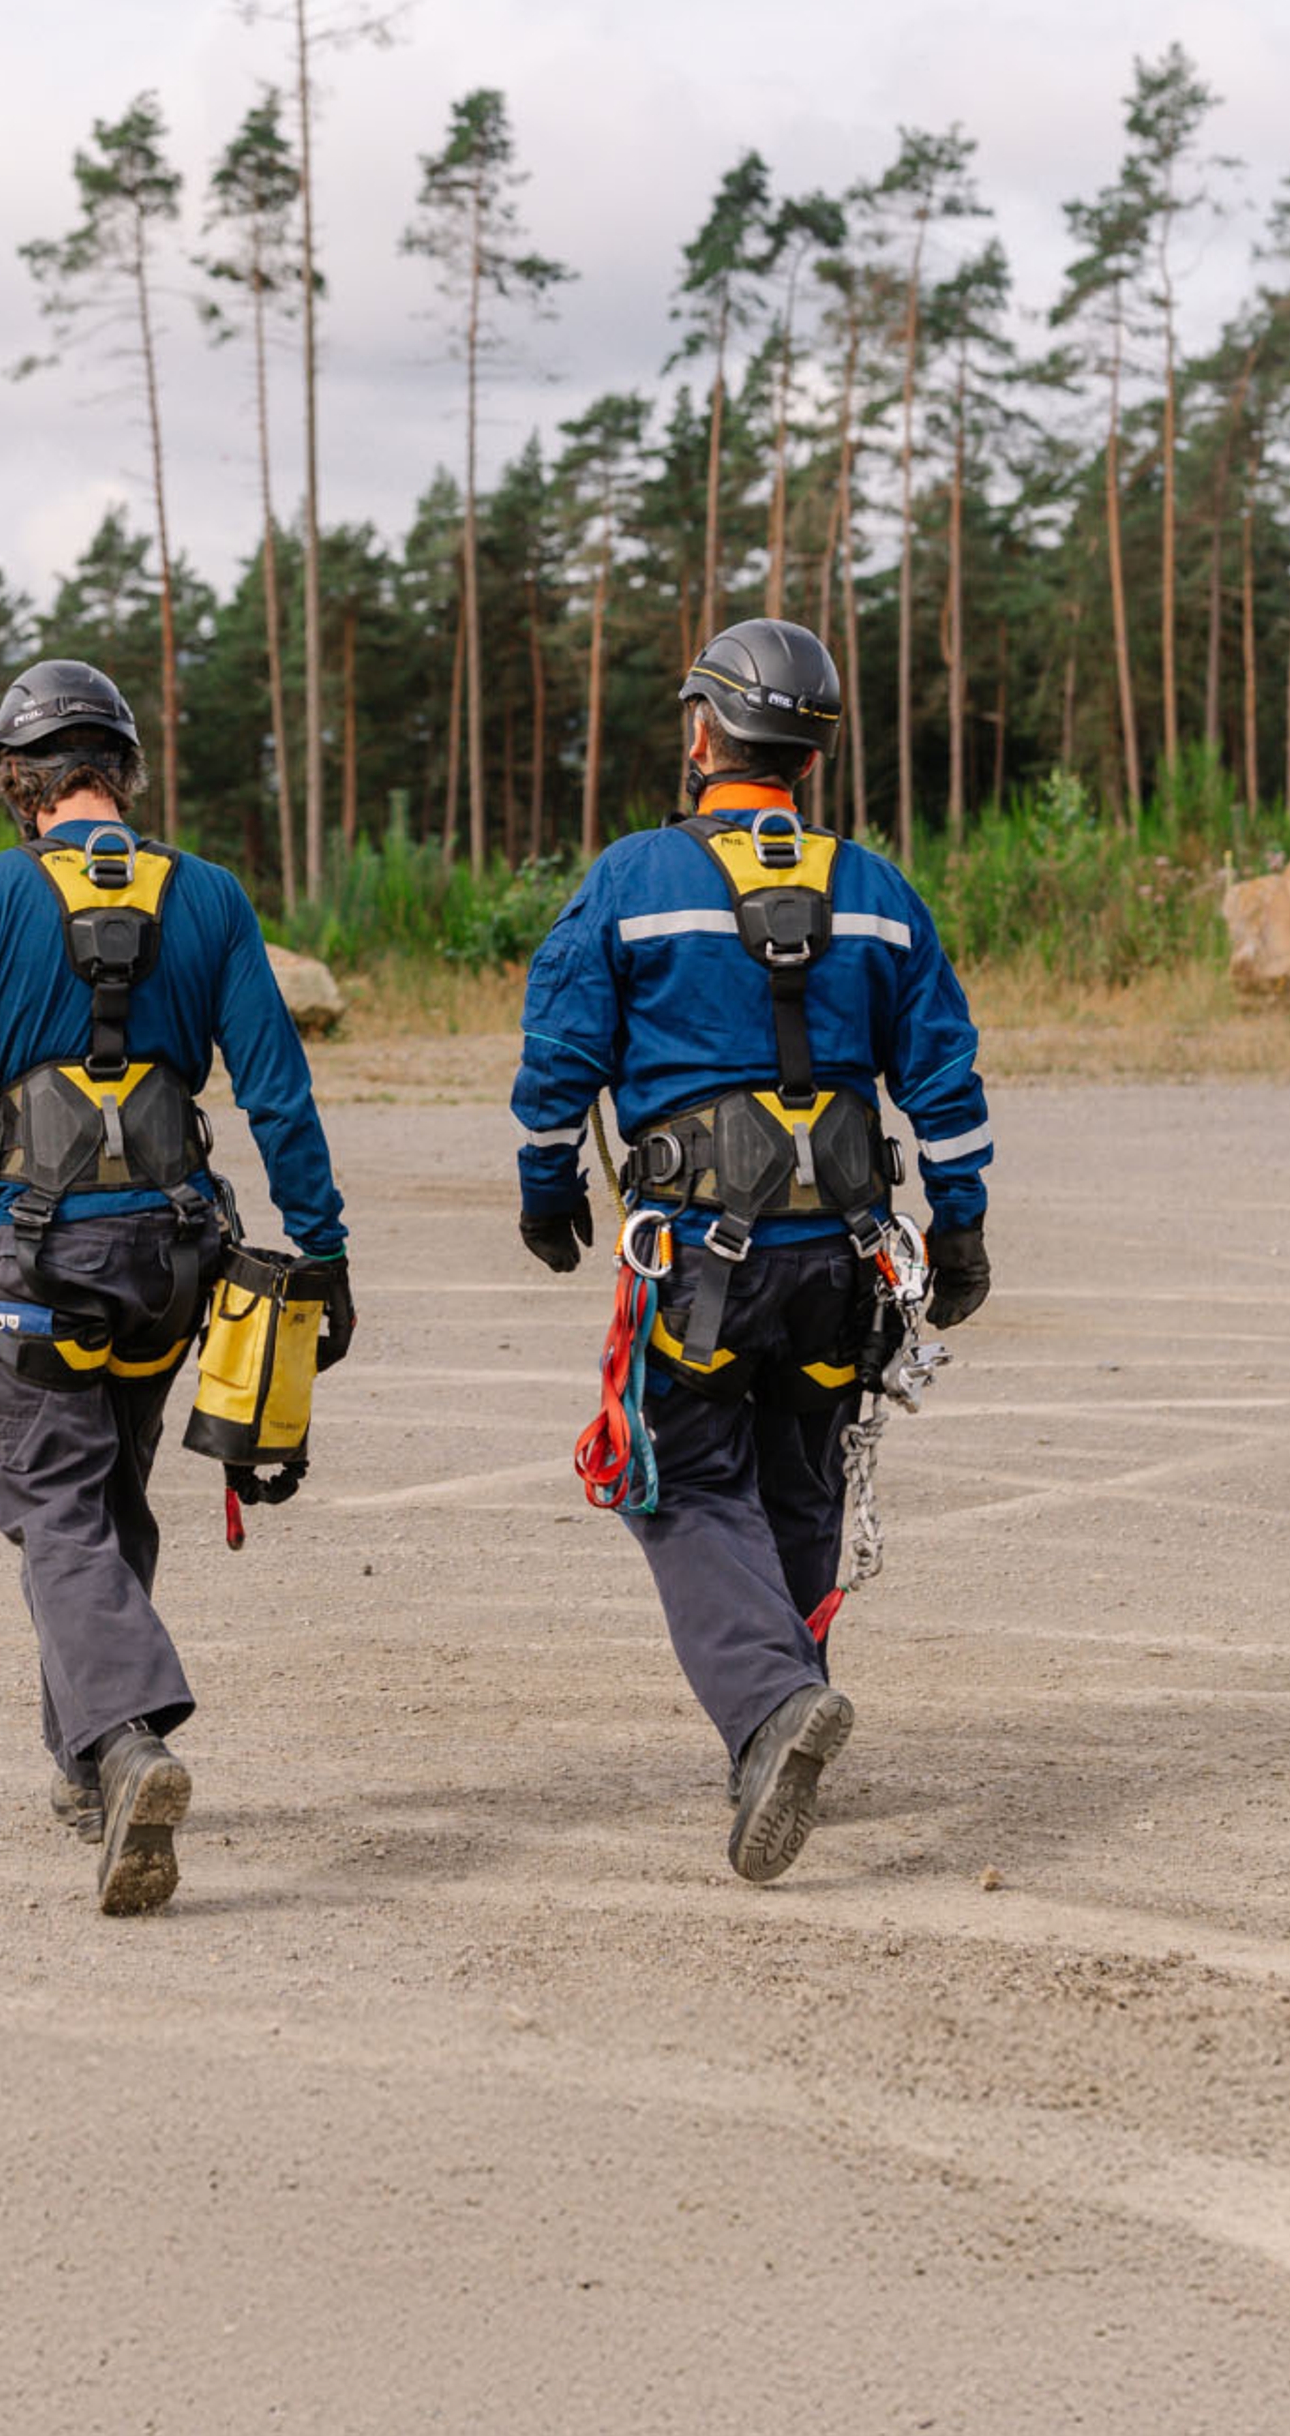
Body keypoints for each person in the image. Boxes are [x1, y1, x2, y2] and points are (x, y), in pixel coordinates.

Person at [0, 659, 351, 1916]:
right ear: (121, 774)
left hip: (45, 1257)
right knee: (112, 1484)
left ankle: (125, 1741)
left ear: (21, 783)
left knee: (52, 1499)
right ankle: (84, 1762)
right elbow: (279, 1089)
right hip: (178, 1258)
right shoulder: (213, 898)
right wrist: (323, 1247)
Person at [510, 619, 993, 1884]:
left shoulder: (633, 878)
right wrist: (966, 1220)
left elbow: (559, 1053)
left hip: (701, 1265)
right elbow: (942, 1070)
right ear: (810, 753)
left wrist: (542, 1182)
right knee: (802, 1481)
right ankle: (782, 1723)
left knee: (674, 1476)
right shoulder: (879, 891)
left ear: (706, 732)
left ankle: (775, 1706)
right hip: (840, 1260)